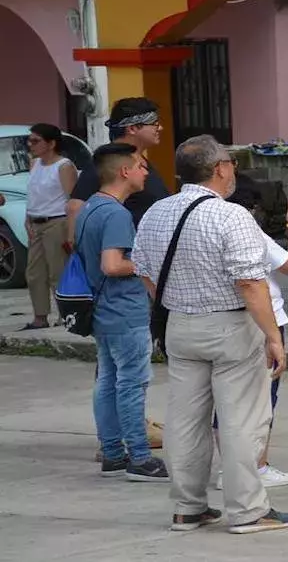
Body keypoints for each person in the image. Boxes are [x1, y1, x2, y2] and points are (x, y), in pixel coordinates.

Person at [132, 135, 288, 534]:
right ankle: (248, 511)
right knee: (241, 419)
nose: (233, 172)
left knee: (185, 419)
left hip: (180, 325)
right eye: (231, 165)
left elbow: (143, 270)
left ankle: (188, 508)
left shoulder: (157, 212)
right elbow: (250, 283)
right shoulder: (231, 216)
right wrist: (273, 336)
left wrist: (173, 301)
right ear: (220, 168)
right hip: (230, 326)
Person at [67, 97, 170, 452]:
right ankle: (134, 450)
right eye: (152, 122)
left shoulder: (114, 196)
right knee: (127, 378)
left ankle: (114, 446)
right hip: (121, 297)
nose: (159, 128)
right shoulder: (110, 196)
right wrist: (147, 263)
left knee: (114, 376)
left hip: (119, 294)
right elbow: (109, 260)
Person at [211, 182, 288, 488]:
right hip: (264, 319)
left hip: (225, 319)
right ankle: (257, 466)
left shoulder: (209, 229)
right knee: (263, 398)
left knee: (226, 398)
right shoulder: (249, 232)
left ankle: (229, 468)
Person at [67, 97, 171, 234]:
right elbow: (76, 207)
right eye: (155, 124)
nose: (160, 128)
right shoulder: (107, 161)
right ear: (132, 128)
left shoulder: (140, 159)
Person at [21, 123, 77, 331]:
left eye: (36, 141)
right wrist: (28, 217)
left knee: (58, 271)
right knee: (34, 272)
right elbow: (34, 192)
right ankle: (40, 316)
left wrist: (71, 231)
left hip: (56, 221)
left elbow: (72, 199)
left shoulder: (63, 166)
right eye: (30, 140)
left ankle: (66, 315)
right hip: (36, 222)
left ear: (51, 143)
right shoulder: (34, 163)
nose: (31, 145)